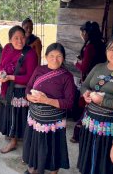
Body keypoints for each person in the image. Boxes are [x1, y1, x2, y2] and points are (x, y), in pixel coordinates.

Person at [77, 34, 113, 174]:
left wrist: (104, 101)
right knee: (89, 158)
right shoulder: (98, 68)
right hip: (91, 123)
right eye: (112, 49)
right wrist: (86, 94)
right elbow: (85, 85)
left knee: (106, 163)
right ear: (106, 51)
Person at [22, 43, 76, 174]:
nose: (55, 59)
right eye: (51, 56)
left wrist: (46, 100)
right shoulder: (39, 70)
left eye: (59, 56)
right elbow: (28, 88)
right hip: (35, 118)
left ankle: (53, 171)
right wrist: (29, 97)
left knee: (53, 147)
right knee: (35, 144)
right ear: (46, 56)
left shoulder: (67, 76)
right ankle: (33, 168)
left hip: (53, 122)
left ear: (63, 58)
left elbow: (69, 102)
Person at [0, 25, 38, 154]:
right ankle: (12, 138)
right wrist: (1, 74)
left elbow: (31, 77)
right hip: (8, 88)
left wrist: (10, 77)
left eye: (22, 37)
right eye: (16, 38)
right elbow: (1, 65)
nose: (20, 41)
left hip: (21, 91)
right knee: (10, 114)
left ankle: (17, 142)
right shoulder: (7, 48)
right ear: (10, 40)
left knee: (19, 117)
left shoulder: (30, 53)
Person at [71, 21, 106, 143]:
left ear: (85, 32)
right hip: (102, 80)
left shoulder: (90, 46)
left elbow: (85, 68)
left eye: (82, 32)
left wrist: (76, 63)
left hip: (90, 81)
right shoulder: (101, 44)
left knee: (86, 107)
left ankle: (78, 134)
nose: (81, 35)